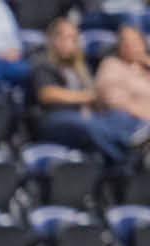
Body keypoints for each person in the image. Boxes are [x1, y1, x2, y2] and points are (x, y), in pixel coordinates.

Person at [31, 18, 141, 165]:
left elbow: (93, 97)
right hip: (53, 119)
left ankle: (134, 144)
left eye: (73, 38)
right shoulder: (43, 62)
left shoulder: (79, 68)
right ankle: (126, 159)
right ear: (54, 40)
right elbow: (47, 94)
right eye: (65, 37)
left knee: (120, 116)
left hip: (82, 115)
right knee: (89, 125)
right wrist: (87, 97)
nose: (69, 43)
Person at [94, 22, 150, 139]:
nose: (130, 45)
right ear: (119, 46)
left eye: (135, 41)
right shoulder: (112, 65)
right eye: (125, 42)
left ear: (144, 44)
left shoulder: (146, 67)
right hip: (133, 124)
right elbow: (114, 101)